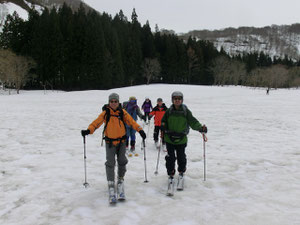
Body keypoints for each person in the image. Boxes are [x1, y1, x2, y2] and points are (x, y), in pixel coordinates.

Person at [81, 93, 146, 203]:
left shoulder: (122, 112)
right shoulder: (106, 113)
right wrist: (89, 130)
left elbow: (131, 121)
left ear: (118, 102)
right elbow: (96, 123)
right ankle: (111, 183)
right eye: (112, 101)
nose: (114, 103)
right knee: (110, 163)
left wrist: (140, 130)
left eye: (115, 101)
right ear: (109, 102)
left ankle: (120, 179)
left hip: (121, 142)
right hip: (110, 142)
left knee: (122, 161)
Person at [161, 91, 207, 193]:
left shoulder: (186, 111)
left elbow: (193, 121)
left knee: (181, 157)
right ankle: (171, 174)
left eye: (179, 99)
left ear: (182, 100)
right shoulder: (168, 111)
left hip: (181, 139)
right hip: (169, 139)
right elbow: (163, 120)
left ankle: (181, 173)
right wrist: (163, 125)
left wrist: (200, 128)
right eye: (175, 98)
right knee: (170, 158)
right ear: (172, 100)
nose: (177, 100)